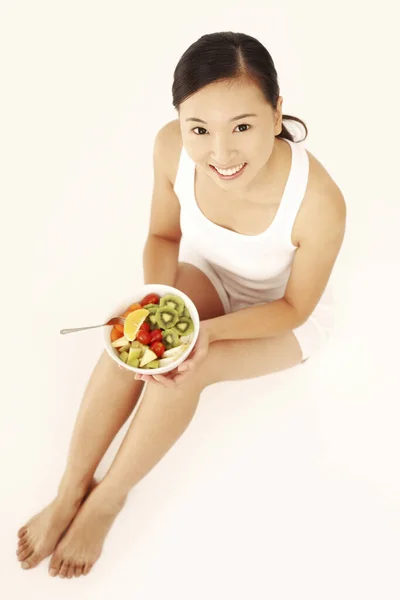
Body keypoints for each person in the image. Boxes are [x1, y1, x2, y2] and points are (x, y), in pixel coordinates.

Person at [17, 31, 346, 578]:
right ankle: (71, 488)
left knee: (187, 370)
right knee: (132, 341)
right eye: (200, 129)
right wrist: (155, 302)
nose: (220, 154)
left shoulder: (319, 202)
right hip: (211, 274)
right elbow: (164, 237)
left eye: (242, 126)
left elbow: (295, 308)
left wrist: (206, 335)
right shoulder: (170, 146)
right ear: (180, 120)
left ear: (277, 111)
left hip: (283, 313)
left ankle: (106, 500)